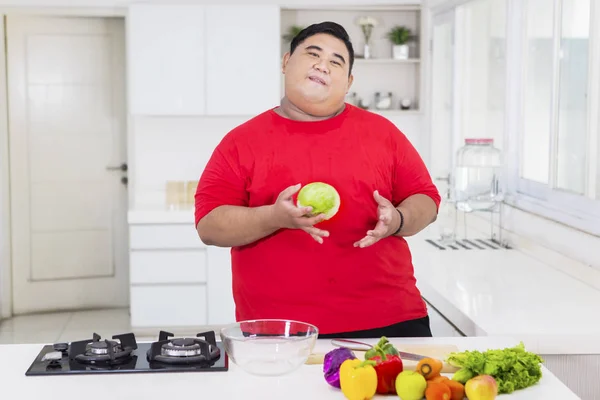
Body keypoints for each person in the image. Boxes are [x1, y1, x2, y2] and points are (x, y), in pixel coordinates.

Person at [194, 21, 440, 339]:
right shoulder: (241, 142)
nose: (323, 65)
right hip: (279, 329)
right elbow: (209, 226)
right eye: (313, 54)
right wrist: (274, 216)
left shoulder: (383, 134)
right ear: (286, 62)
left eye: (336, 61)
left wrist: (398, 219)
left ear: (348, 81)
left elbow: (426, 199)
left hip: (390, 320)